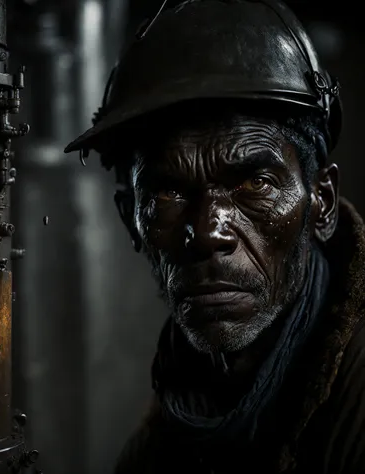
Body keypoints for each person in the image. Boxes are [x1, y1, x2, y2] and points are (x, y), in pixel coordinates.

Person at [65, 1, 364, 473]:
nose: (207, 232)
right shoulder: (171, 429)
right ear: (131, 222)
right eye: (167, 193)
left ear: (320, 203)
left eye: (255, 184)